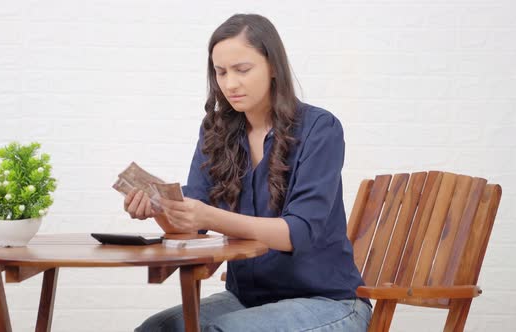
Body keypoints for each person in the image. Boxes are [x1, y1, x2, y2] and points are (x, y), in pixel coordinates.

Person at [124, 13, 371, 332]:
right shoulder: (217, 131)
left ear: (272, 67)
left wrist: (208, 217)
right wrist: (158, 207)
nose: (230, 84)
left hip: (327, 301)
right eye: (221, 72)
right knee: (156, 329)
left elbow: (299, 232)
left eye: (242, 70)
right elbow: (193, 225)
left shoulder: (319, 129)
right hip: (249, 300)